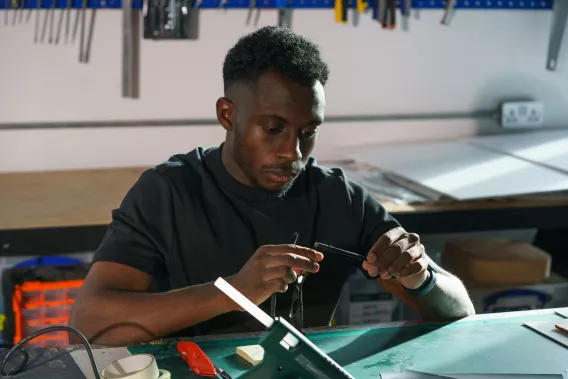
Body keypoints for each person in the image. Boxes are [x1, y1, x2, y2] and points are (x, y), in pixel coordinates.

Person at [69, 26, 475, 346]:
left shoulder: (336, 195)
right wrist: (233, 291)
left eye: (308, 132)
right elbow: (90, 325)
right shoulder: (168, 192)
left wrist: (419, 277)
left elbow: (460, 310)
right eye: (273, 128)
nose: (292, 152)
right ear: (227, 114)